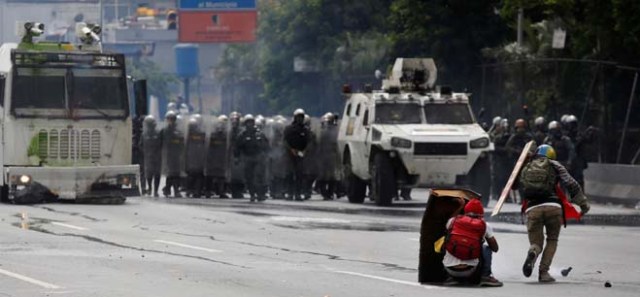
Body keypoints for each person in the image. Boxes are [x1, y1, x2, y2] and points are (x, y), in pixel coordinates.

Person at [516, 144, 590, 283]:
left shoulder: (527, 165)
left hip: (533, 208)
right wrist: (583, 204)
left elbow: (514, 184)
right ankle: (543, 273)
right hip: (553, 207)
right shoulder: (555, 164)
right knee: (552, 239)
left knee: (536, 243)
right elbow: (571, 183)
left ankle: (533, 252)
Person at [442, 199, 503, 287]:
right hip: (471, 270)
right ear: (481, 214)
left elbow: (451, 220)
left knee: (446, 241)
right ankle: (485, 276)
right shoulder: (485, 225)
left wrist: (459, 207)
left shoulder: (452, 221)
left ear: (465, 211)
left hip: (450, 270)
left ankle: (449, 277)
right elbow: (495, 248)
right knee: (486, 248)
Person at [235, 114, 269, 201]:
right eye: (247, 123)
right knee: (248, 177)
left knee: (258, 176)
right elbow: (237, 147)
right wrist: (237, 157)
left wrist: (266, 155)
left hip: (258, 158)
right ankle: (252, 194)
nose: (249, 124)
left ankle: (260, 194)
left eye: (251, 122)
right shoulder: (242, 135)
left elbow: (266, 145)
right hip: (247, 157)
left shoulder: (259, 134)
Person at [284, 109, 311, 201]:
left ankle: (298, 194)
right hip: (290, 155)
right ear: (295, 118)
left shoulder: (306, 130)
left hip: (301, 154)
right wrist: (291, 150)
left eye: (301, 117)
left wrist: (304, 151)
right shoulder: (289, 129)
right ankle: (290, 193)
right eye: (298, 117)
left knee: (300, 175)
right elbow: (285, 141)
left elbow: (309, 142)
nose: (300, 119)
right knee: (290, 174)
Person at [205, 115, 230, 198]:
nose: (221, 127)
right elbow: (208, 147)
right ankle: (208, 191)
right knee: (210, 175)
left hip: (222, 158)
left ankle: (221, 192)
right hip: (213, 158)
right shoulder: (212, 135)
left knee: (221, 176)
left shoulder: (226, 136)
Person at [316, 113, 340, 200]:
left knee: (326, 176)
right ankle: (328, 193)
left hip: (327, 156)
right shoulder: (336, 132)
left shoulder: (324, 132)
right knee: (330, 176)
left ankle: (327, 193)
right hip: (329, 156)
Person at [161, 111, 184, 198]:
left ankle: (167, 189)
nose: (170, 121)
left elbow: (182, 144)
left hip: (177, 155)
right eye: (169, 119)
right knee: (171, 174)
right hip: (168, 155)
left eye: (172, 119)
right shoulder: (165, 131)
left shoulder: (178, 131)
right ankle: (175, 190)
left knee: (175, 174)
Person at [141, 115, 162, 197]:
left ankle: (155, 191)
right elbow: (140, 145)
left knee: (157, 174)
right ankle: (150, 188)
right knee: (149, 174)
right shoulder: (144, 134)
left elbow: (162, 144)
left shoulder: (158, 133)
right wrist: (145, 152)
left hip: (157, 157)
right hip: (148, 157)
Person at [185, 116, 206, 198]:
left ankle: (197, 191)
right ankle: (190, 190)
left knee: (198, 175)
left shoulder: (201, 133)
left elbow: (204, 145)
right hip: (191, 157)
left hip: (198, 157)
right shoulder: (187, 135)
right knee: (192, 175)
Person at [229, 112, 245, 198]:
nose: (235, 122)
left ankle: (239, 191)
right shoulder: (228, 131)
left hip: (240, 153)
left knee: (240, 174)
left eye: (236, 120)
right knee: (231, 174)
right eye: (233, 120)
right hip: (230, 153)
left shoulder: (242, 131)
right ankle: (233, 191)